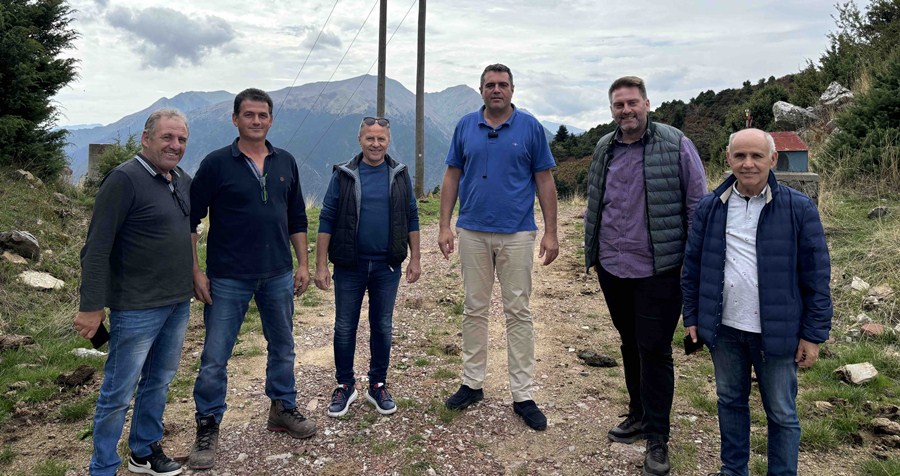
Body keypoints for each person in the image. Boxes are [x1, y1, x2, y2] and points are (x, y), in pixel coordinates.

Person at [682, 128, 832, 476]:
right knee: (729, 402)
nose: (748, 164)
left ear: (773, 160)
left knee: (781, 412)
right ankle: (733, 470)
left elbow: (816, 275)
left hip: (778, 333)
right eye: (740, 156)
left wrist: (813, 335)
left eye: (756, 156)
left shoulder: (798, 208)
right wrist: (692, 316)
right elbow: (693, 267)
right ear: (728, 159)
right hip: (725, 329)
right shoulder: (710, 207)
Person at [583, 76, 707, 475]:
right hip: (613, 266)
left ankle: (657, 436)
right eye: (619, 105)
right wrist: (593, 253)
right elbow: (596, 201)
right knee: (629, 342)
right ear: (612, 109)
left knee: (654, 349)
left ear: (647, 104)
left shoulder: (676, 144)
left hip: (660, 269)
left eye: (632, 103)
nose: (626, 110)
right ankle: (637, 414)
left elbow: (697, 204)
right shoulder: (605, 147)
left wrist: (693, 261)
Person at [188, 88, 315, 470]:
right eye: (249, 115)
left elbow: (297, 217)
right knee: (215, 356)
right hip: (227, 276)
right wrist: (195, 270)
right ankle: (207, 424)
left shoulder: (285, 161)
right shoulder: (215, 164)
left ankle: (282, 407)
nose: (256, 121)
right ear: (235, 119)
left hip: (277, 272)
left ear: (271, 120)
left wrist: (303, 264)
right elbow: (190, 220)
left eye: (262, 115)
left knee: (283, 345)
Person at [438, 63, 559, 432]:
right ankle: (472, 383)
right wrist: (444, 225)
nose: (496, 90)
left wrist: (551, 232)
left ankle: (523, 394)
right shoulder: (464, 126)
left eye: (502, 84)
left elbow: (544, 180)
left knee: (518, 312)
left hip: (517, 233)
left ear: (512, 90)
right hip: (472, 231)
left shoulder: (531, 128)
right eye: (490, 84)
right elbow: (452, 176)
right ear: (481, 90)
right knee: (474, 309)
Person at [75, 109, 192, 476]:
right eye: (167, 137)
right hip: (136, 306)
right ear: (146, 139)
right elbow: (96, 248)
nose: (175, 145)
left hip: (177, 301)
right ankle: (103, 466)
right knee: (118, 392)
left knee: (159, 380)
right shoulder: (124, 179)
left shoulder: (180, 179)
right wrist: (91, 306)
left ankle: (143, 451)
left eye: (181, 139)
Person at [314, 116, 421, 418]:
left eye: (381, 139)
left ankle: (377, 384)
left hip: (388, 266)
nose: (375, 144)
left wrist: (415, 258)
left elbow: (412, 215)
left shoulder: (399, 174)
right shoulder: (344, 175)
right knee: (344, 326)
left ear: (388, 141)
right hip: (350, 265)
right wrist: (321, 265)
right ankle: (344, 385)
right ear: (360, 140)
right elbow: (327, 217)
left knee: (382, 325)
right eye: (370, 138)